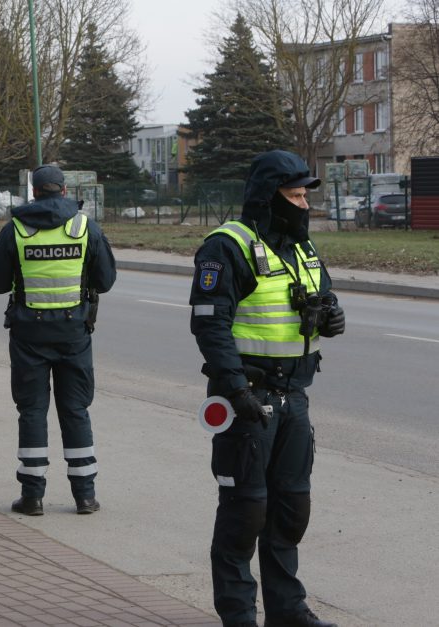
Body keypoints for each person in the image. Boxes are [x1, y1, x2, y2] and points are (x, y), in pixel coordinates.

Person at [189, 150, 345, 627]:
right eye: (295, 195)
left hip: (295, 397)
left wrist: (333, 314)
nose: (304, 204)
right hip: (249, 398)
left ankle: (288, 611)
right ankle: (238, 616)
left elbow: (320, 292)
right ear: (269, 197)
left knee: (290, 509)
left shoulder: (300, 247)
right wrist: (237, 392)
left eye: (305, 195)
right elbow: (209, 326)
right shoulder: (227, 246)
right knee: (245, 513)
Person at [0, 164, 117, 516]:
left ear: (35, 191)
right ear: (64, 190)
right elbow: (105, 281)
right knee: (75, 410)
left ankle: (32, 497)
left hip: (29, 334)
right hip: (74, 333)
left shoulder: (16, 229)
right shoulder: (84, 227)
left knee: (32, 411)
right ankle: (85, 496)